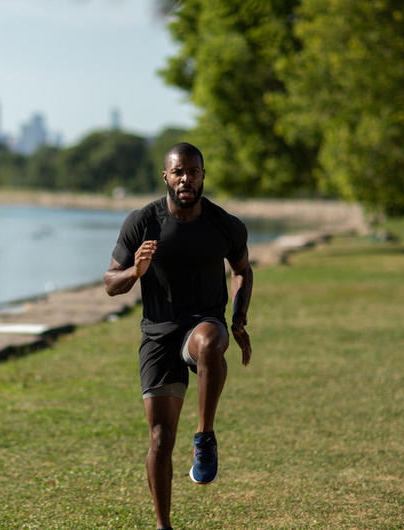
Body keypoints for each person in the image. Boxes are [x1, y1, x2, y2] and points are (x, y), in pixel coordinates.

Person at [103, 142, 253, 530]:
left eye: (194, 171)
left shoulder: (224, 224)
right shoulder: (142, 222)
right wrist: (135, 272)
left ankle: (204, 437)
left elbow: (242, 270)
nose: (187, 179)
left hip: (203, 321)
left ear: (203, 175)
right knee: (159, 438)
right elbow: (110, 284)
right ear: (166, 177)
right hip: (158, 334)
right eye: (179, 172)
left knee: (207, 342)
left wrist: (237, 319)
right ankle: (162, 525)